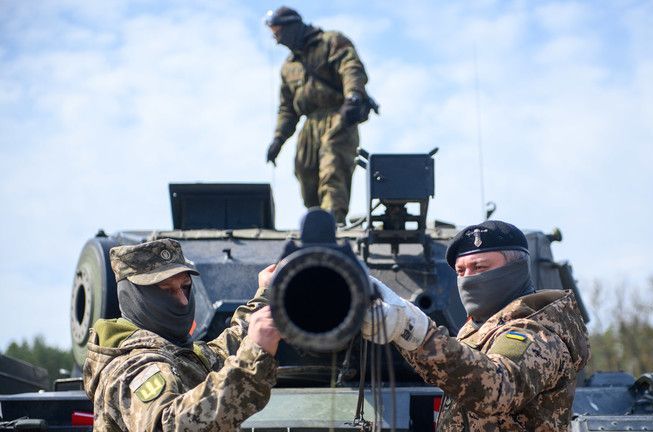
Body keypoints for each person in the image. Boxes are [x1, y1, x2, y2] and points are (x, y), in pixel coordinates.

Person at [360, 220, 591, 431]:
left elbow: (498, 386)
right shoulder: (480, 328)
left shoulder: (537, 333)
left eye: (480, 267)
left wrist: (414, 331)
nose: (468, 279)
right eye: (461, 271)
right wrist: (402, 333)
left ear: (515, 270)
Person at [82, 238, 282, 431]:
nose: (183, 301)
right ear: (133, 297)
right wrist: (253, 359)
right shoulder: (134, 367)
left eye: (185, 287)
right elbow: (168, 425)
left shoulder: (178, 353)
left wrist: (266, 296)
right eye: (167, 290)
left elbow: (223, 351)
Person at [264, 6, 372, 225]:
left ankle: (332, 220)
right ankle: (318, 222)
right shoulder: (288, 67)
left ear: (291, 26)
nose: (276, 39)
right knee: (305, 171)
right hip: (309, 123)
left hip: (338, 114)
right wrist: (278, 139)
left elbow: (351, 67)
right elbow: (287, 108)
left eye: (278, 31)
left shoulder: (330, 42)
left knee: (332, 164)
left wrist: (353, 96)